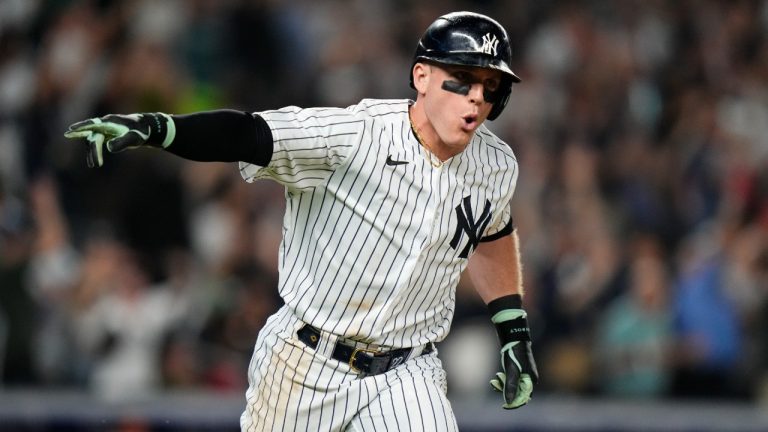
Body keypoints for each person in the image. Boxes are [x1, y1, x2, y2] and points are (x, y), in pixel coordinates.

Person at [65, 11, 538, 431]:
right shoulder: (354, 137)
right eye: (460, 78)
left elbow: (491, 231)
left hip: (407, 371)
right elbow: (248, 133)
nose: (475, 97)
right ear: (421, 76)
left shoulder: (495, 165)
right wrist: (159, 128)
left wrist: (513, 328)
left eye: (489, 86)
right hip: (306, 363)